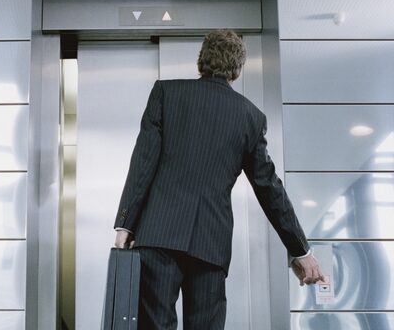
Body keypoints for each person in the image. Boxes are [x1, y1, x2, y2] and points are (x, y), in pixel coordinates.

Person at [112, 30, 325, 329]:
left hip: (158, 235)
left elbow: (143, 164)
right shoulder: (249, 116)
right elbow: (269, 188)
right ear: (237, 70)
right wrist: (301, 251)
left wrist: (125, 224)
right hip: (210, 244)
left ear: (202, 61)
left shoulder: (166, 93)